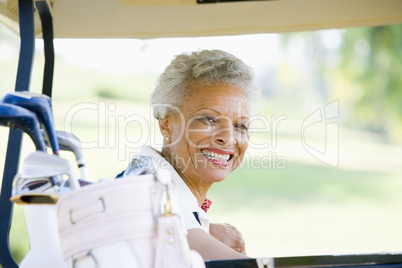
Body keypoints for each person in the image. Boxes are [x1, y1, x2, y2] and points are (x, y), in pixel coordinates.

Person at [119, 49, 260, 260]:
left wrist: (204, 229)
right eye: (209, 119)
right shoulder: (151, 191)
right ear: (166, 125)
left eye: (240, 126)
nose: (228, 138)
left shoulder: (148, 178)